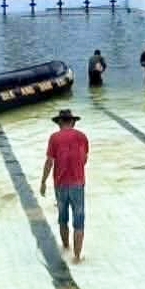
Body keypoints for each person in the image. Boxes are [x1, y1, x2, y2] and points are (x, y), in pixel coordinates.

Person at [39, 109, 89, 264]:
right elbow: (84, 159)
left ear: (60, 122)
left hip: (60, 185)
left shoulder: (54, 138)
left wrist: (43, 181)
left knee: (62, 218)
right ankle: (77, 257)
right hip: (77, 185)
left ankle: (66, 247)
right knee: (79, 221)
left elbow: (49, 162)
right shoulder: (82, 137)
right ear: (73, 122)